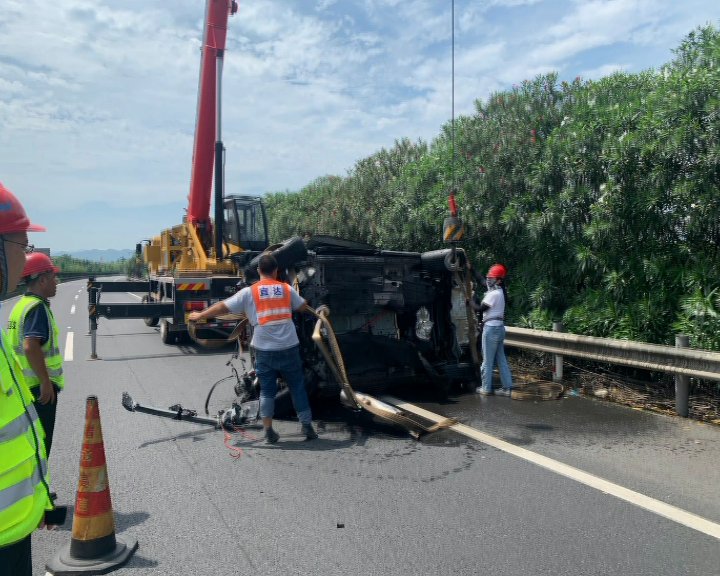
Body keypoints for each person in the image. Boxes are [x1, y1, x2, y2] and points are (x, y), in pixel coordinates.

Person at [188, 253, 318, 444]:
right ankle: (307, 427)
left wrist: (200, 315)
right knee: (297, 387)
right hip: (289, 347)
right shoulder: (286, 289)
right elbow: (302, 307)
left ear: (258, 271)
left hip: (264, 350)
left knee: (267, 391)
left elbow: (222, 307)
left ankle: (268, 430)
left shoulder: (250, 292)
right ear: (276, 271)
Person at [0, 182, 54, 576]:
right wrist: (48, 383)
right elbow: (34, 348)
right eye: (22, 246)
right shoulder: (34, 309)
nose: (25, 258)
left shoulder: (17, 308)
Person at [7, 252, 63, 458]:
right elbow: (31, 345)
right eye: (53, 277)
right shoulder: (37, 308)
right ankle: (42, 488)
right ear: (42, 280)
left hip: (23, 386)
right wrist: (45, 382)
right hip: (39, 390)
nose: (56, 282)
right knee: (42, 442)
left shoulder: (20, 305)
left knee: (30, 442)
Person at [469, 263, 513, 396]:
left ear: (498, 280)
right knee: (501, 359)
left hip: (491, 329)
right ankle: (507, 388)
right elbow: (481, 280)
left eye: (491, 278)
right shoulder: (500, 292)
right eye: (489, 277)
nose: (488, 280)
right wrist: (471, 268)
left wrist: (469, 301)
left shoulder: (493, 294)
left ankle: (486, 388)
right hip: (499, 329)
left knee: (487, 361)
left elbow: (480, 308)